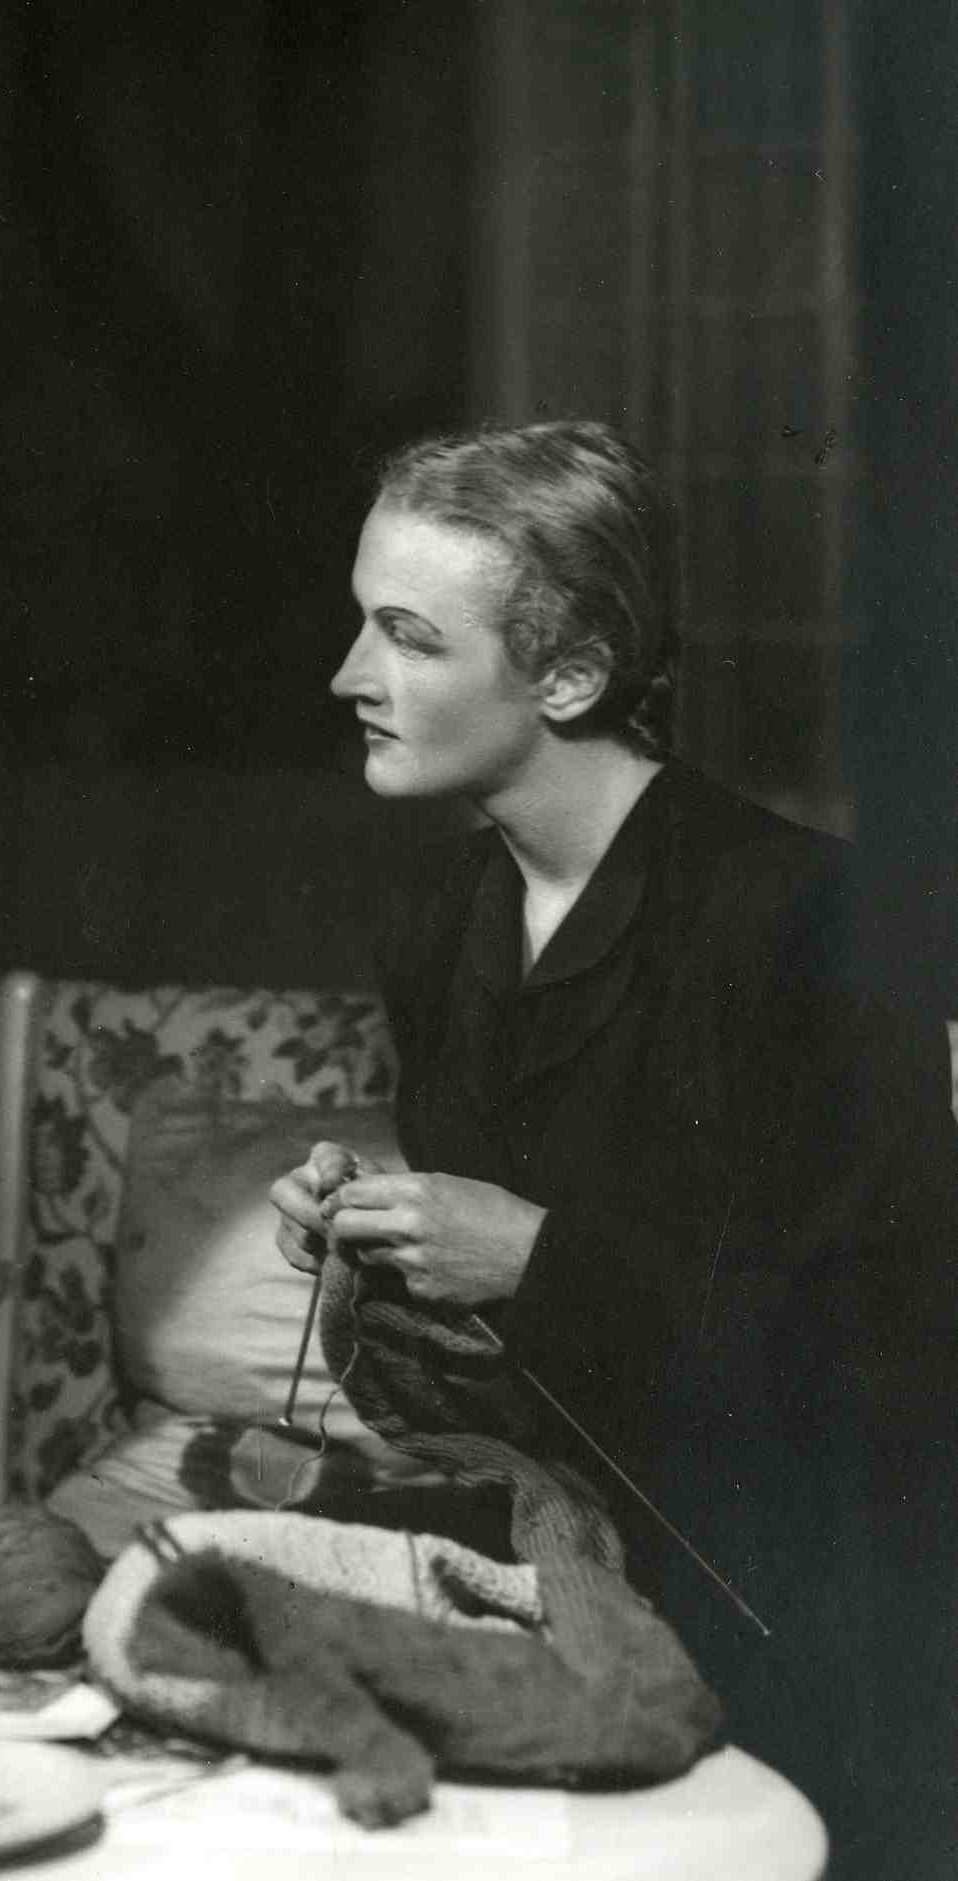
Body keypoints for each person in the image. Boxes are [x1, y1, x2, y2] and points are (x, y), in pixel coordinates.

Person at [268, 419, 958, 1874]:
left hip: (786, 1620)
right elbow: (503, 1351)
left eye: (406, 637)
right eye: (360, 621)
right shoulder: (433, 921)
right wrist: (375, 1244)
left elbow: (892, 1362)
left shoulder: (812, 920)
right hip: (530, 1560)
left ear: (570, 677)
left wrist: (530, 1254)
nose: (347, 675)